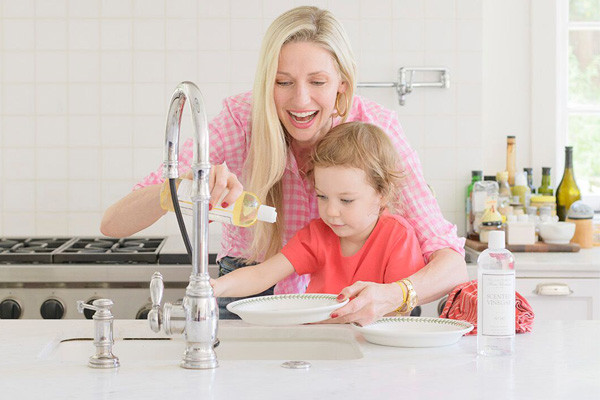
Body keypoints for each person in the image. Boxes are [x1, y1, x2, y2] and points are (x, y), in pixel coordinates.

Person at [100, 6, 468, 325]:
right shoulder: (238, 122)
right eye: (283, 82)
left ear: (342, 82)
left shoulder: (376, 130)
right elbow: (113, 224)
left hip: (356, 295)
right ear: (266, 81)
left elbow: (452, 263)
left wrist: (395, 295)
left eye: (318, 82)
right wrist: (184, 186)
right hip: (250, 285)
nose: (300, 100)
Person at [212, 122, 425, 309]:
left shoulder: (397, 236)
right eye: (322, 197)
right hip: (324, 340)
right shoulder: (317, 235)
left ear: (382, 194)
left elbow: (402, 309)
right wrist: (216, 287)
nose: (331, 211)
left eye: (346, 200)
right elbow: (262, 274)